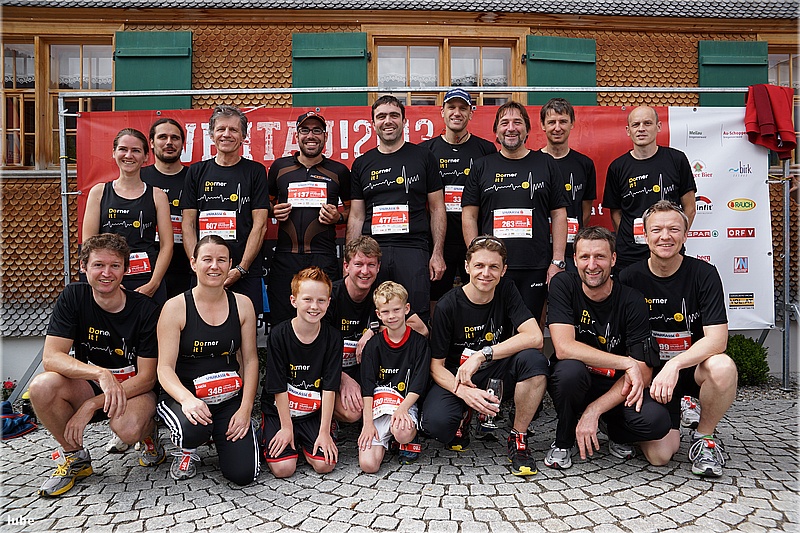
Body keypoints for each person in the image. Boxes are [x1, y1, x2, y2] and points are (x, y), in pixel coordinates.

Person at [29, 234, 164, 497]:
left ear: (125, 270)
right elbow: (51, 357)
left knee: (127, 430)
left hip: (133, 390)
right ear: (84, 267)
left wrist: (91, 405)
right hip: (90, 384)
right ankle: (76, 458)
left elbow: (147, 378)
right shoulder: (73, 296)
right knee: (41, 386)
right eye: (98, 265)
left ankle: (149, 435)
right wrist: (100, 374)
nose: (106, 273)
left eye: (115, 266)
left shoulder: (146, 310)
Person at [619, 200, 736, 477]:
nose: (665, 236)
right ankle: (658, 421)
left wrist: (674, 364)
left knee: (723, 366)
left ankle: (704, 437)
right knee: (659, 457)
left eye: (674, 229)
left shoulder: (704, 274)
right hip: (651, 377)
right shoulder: (628, 277)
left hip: (691, 370)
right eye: (656, 230)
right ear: (645, 236)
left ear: (685, 235)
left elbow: (717, 340)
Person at [421, 235, 549, 476]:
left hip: (495, 370)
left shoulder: (506, 290)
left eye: (494, 267)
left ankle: (518, 437)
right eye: (479, 265)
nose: (486, 273)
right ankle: (464, 415)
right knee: (437, 424)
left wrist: (482, 355)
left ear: (504, 270)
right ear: (467, 266)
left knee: (535, 361)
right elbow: (436, 366)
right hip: (458, 377)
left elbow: (535, 336)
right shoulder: (448, 305)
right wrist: (464, 392)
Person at [545, 226, 671, 470]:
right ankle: (564, 439)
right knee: (569, 372)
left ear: (613, 259)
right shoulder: (564, 285)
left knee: (657, 421)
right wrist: (625, 362)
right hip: (578, 379)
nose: (592, 265)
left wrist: (595, 410)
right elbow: (563, 348)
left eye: (600, 257)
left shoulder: (632, 300)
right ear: (575, 260)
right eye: (585, 257)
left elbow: (643, 372)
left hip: (616, 386)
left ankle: (611, 429)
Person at [155, 235, 260, 485]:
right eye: (207, 259)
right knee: (193, 429)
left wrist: (245, 409)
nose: (214, 266)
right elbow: (164, 368)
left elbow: (250, 360)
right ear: (193, 263)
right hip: (186, 397)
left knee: (243, 474)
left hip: (227, 398)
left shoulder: (243, 304)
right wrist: (187, 400)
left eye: (221, 260)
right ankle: (186, 450)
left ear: (230, 264)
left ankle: (225, 432)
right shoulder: (175, 307)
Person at [462, 101, 569, 321]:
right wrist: (477, 259)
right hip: (492, 269)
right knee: (494, 330)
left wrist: (557, 261)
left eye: (517, 122)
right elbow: (469, 215)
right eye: (504, 123)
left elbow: (559, 214)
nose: (511, 128)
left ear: (527, 129)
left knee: (533, 329)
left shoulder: (546, 164)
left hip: (536, 266)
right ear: (496, 131)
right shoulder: (481, 167)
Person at [347, 94, 446, 324]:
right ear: (373, 123)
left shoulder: (424, 157)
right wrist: (352, 259)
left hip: (413, 249)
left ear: (404, 121)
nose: (388, 121)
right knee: (375, 318)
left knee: (415, 318)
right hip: (372, 252)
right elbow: (356, 216)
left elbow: (437, 208)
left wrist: (437, 253)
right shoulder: (361, 164)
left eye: (394, 115)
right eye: (381, 116)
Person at [325, 236, 428, 425]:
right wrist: (340, 377)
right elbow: (315, 346)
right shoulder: (331, 295)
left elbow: (421, 329)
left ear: (378, 267)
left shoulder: (382, 294)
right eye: (358, 264)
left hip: (366, 371)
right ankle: (322, 418)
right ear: (346, 266)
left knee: (359, 409)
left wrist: (375, 329)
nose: (365, 271)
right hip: (333, 370)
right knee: (352, 413)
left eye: (371, 265)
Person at [182, 105, 269, 313]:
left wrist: (241, 268)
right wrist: (198, 266)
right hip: (205, 272)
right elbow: (188, 225)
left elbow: (260, 225)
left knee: (245, 326)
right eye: (221, 129)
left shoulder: (256, 171)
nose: (226, 134)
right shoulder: (196, 172)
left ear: (243, 136)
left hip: (244, 272)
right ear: (212, 135)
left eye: (233, 130)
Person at [267, 111, 351, 324]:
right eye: (305, 130)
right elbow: (263, 204)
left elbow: (355, 210)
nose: (311, 136)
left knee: (325, 321)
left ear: (325, 136)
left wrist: (338, 217)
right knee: (282, 322)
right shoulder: (279, 168)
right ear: (297, 136)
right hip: (285, 257)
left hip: (323, 257)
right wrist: (273, 210)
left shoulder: (339, 171)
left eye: (317, 131)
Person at [259, 267, 342, 478]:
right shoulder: (279, 335)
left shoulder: (333, 338)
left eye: (321, 300)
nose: (314, 306)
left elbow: (330, 387)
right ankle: (271, 434)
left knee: (324, 465)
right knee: (284, 469)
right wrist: (286, 428)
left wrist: (324, 432)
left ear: (328, 302)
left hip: (311, 412)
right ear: (293, 300)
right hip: (280, 411)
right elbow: (277, 386)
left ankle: (309, 439)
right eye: (307, 299)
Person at [420, 89, 497, 311]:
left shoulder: (486, 149)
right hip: (438, 241)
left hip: (474, 239)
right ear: (442, 111)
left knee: (479, 298)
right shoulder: (426, 151)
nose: (457, 112)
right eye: (451, 107)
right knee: (436, 300)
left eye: (463, 108)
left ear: (471, 113)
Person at [82, 128, 173, 305]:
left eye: (136, 150)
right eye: (123, 149)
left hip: (146, 280)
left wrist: (154, 283)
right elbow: (89, 244)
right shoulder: (99, 192)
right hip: (107, 279)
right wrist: (106, 281)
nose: (129, 155)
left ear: (146, 156)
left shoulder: (158, 196)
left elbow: (167, 245)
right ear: (114, 153)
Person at [602, 106, 697, 271]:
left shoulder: (676, 159)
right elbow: (616, 212)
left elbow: (690, 207)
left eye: (647, 123)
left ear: (658, 127)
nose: (641, 129)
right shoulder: (617, 167)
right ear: (628, 130)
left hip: (668, 252)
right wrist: (628, 239)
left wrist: (675, 238)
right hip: (629, 255)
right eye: (636, 124)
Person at [358, 281, 431, 472]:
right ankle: (388, 441)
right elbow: (367, 386)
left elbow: (419, 383)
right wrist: (367, 423)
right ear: (378, 314)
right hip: (379, 407)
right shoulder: (373, 345)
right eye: (386, 312)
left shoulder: (419, 343)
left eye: (396, 310)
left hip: (404, 404)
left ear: (406, 309)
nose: (391, 316)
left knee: (402, 432)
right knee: (368, 465)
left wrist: (402, 409)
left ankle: (406, 439)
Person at [539, 98, 597, 272]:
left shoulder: (585, 164)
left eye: (563, 121)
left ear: (572, 124)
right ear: (542, 125)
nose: (557, 128)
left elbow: (585, 210)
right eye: (551, 122)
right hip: (539, 249)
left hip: (573, 251)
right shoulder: (533, 163)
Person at [141, 118, 192, 299]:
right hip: (145, 268)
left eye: (175, 138)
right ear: (151, 143)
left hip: (186, 269)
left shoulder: (195, 177)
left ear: (182, 144)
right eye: (163, 137)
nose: (169, 142)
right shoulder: (139, 177)